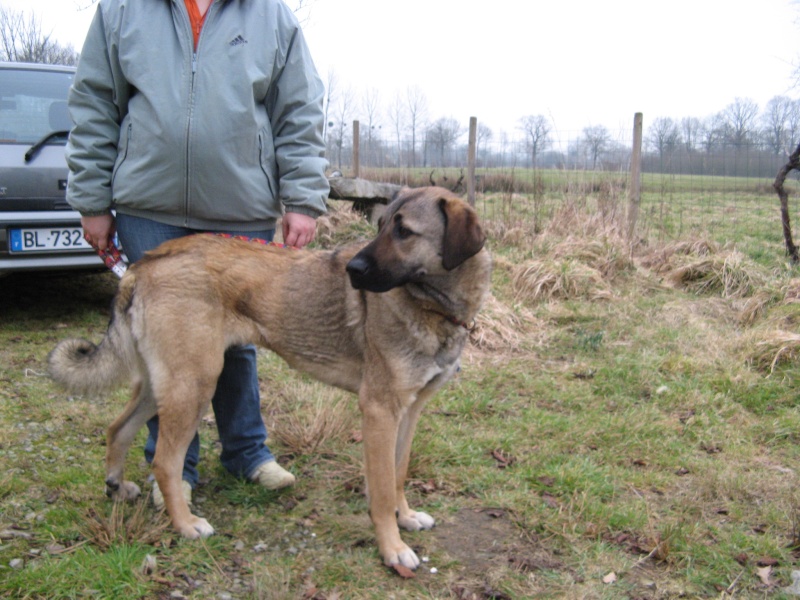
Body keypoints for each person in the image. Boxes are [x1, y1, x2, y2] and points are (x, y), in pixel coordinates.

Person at [65, 0, 329, 508]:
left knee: (240, 341)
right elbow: (95, 102)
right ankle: (175, 465)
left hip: (239, 205)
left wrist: (302, 198)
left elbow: (298, 108)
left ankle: (248, 452)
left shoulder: (270, 15)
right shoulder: (122, 10)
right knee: (173, 346)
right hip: (149, 203)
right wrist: (92, 199)